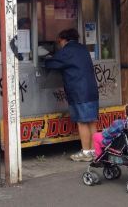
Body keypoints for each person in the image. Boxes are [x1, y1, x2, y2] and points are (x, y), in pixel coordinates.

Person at [45, 28, 99, 162]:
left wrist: (45, 58)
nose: (59, 44)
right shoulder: (82, 48)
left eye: (59, 41)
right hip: (91, 90)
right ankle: (95, 151)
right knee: (92, 121)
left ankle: (86, 152)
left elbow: (51, 63)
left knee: (82, 122)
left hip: (79, 92)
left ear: (64, 40)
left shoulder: (67, 51)